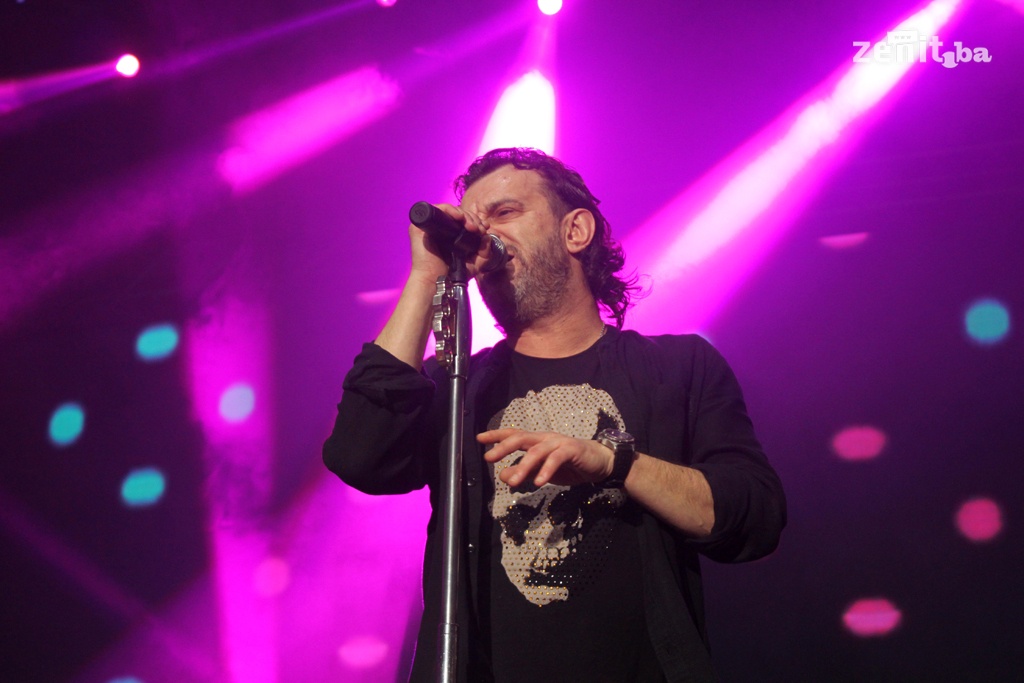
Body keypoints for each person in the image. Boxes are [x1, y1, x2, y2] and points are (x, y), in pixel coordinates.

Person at [324, 148, 786, 682]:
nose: (483, 234)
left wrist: (614, 463)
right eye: (473, 222)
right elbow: (360, 455)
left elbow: (754, 519)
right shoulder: (456, 387)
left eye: (504, 212)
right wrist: (427, 275)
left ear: (576, 231)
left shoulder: (678, 367)